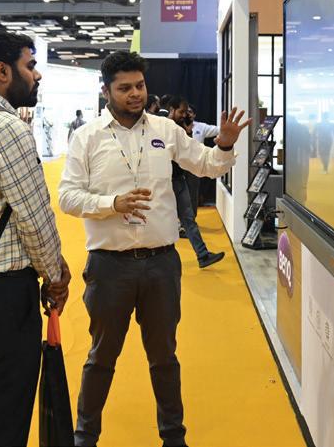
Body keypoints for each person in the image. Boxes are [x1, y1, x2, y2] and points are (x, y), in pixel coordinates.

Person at [58, 51, 251, 447]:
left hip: (162, 265)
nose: (135, 94)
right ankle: (84, 436)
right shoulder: (87, 137)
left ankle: (173, 437)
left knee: (164, 358)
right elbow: (67, 197)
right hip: (109, 266)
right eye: (124, 88)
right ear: (106, 91)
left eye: (140, 86)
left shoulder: (166, 129)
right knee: (101, 358)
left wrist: (225, 145)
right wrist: (112, 204)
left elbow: (207, 164)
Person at [0, 31, 71, 447]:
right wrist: (55, 275)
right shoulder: (7, 128)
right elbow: (34, 217)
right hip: (6, 292)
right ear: (3, 71)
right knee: (5, 410)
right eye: (30, 65)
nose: (36, 75)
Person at [166, 95, 226, 268]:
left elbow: (190, 150)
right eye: (182, 112)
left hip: (179, 178)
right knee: (162, 219)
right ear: (172, 110)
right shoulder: (163, 127)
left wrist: (188, 131)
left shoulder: (183, 127)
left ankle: (202, 255)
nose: (185, 115)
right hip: (163, 181)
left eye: (187, 112)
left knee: (188, 218)